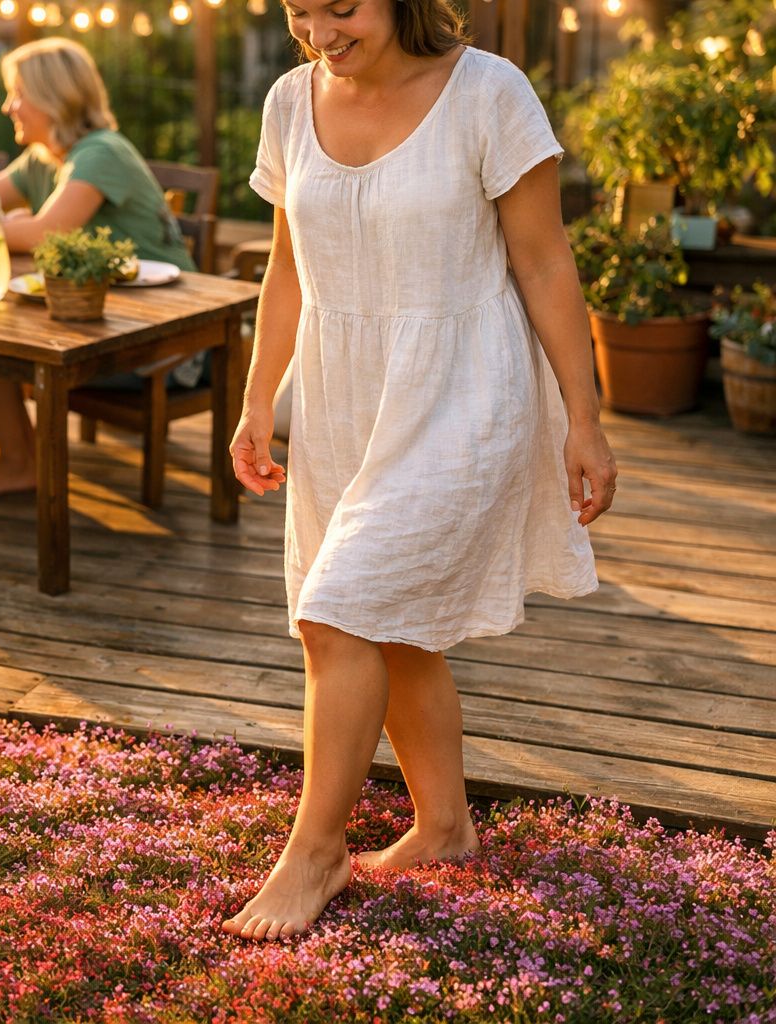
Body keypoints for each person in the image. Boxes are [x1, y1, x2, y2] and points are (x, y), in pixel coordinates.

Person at [221, 0, 616, 941]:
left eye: (342, 7)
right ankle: (444, 827)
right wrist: (255, 398)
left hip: (463, 390)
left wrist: (585, 419)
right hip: (342, 400)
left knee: (339, 608)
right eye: (299, 10)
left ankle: (315, 851)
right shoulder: (288, 101)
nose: (319, 31)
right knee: (392, 627)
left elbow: (545, 262)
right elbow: (288, 269)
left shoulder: (489, 94)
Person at [0, 37, 198, 498]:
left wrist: (11, 223)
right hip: (101, 321)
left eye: (17, 93)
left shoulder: (101, 151)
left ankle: (19, 458)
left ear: (52, 97)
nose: (8, 107)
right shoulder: (45, 159)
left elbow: (46, 233)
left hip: (170, 342)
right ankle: (16, 451)